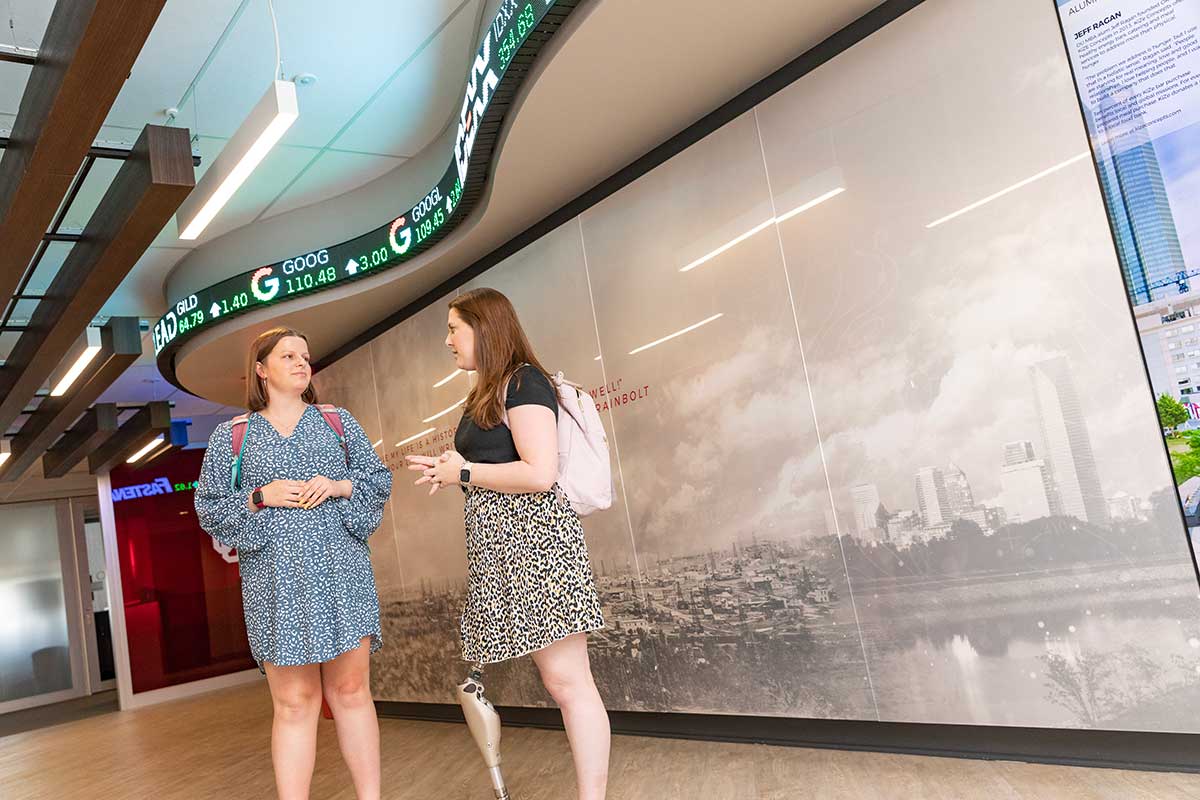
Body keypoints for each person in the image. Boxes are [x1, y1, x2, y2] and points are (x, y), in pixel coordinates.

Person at [406, 288, 610, 800]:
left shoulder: (523, 381)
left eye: (454, 328)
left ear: (485, 328)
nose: (448, 340)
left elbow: (540, 472)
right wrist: (455, 472)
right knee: (562, 682)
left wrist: (465, 470)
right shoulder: (487, 389)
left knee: (569, 682)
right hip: (506, 550)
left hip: (538, 546)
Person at [194, 326, 392, 800]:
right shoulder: (232, 437)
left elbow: (376, 481)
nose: (302, 363)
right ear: (261, 371)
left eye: (305, 356)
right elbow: (210, 508)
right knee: (295, 704)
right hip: (275, 585)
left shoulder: (337, 421)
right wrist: (261, 496)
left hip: (342, 575)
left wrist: (338, 485)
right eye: (288, 356)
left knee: (350, 694)